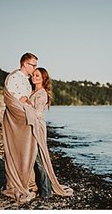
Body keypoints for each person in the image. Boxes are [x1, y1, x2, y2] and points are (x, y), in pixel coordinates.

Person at [28, 67, 75, 198]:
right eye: (33, 75)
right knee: (33, 157)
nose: (34, 77)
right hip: (32, 126)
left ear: (43, 79)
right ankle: (38, 187)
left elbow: (37, 113)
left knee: (39, 159)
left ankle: (46, 191)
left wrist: (26, 104)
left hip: (38, 127)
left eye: (38, 76)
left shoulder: (42, 93)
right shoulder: (32, 91)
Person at [1, 52, 40, 202]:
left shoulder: (26, 80)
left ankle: (27, 182)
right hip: (16, 121)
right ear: (24, 64)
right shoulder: (15, 78)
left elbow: (26, 99)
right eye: (33, 65)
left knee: (26, 151)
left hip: (24, 120)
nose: (35, 68)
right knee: (17, 151)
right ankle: (17, 184)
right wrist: (24, 102)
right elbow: (13, 100)